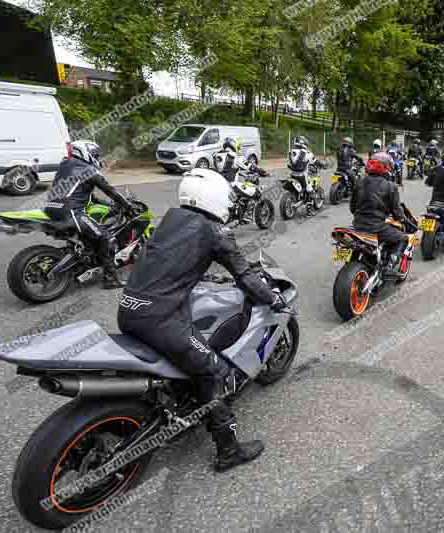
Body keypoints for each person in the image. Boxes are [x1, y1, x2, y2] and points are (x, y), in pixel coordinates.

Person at [118, 172, 289, 473]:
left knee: (189, 356)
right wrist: (273, 299)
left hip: (129, 309)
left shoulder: (170, 219)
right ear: (214, 197)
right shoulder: (215, 231)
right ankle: (228, 451)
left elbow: (169, 262)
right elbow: (245, 275)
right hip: (160, 319)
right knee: (215, 370)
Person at [44, 141, 134, 289]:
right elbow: (110, 190)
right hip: (71, 212)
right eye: (95, 155)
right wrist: (127, 205)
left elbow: (84, 194)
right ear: (85, 153)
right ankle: (111, 279)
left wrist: (107, 205)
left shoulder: (65, 166)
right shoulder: (88, 170)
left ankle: (84, 260)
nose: (97, 158)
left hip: (51, 209)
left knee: (91, 235)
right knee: (107, 239)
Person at [350, 152, 408, 271]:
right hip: (376, 227)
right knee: (403, 238)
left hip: (357, 225)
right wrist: (403, 219)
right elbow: (397, 212)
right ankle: (390, 266)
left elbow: (352, 207)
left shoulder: (359, 181)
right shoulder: (391, 186)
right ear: (386, 167)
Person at [287, 136, 325, 216]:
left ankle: (297, 198)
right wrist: (322, 165)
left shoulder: (291, 151)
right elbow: (315, 162)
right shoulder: (307, 153)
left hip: (292, 174)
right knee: (310, 191)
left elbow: (290, 164)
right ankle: (309, 211)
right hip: (302, 176)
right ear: (303, 143)